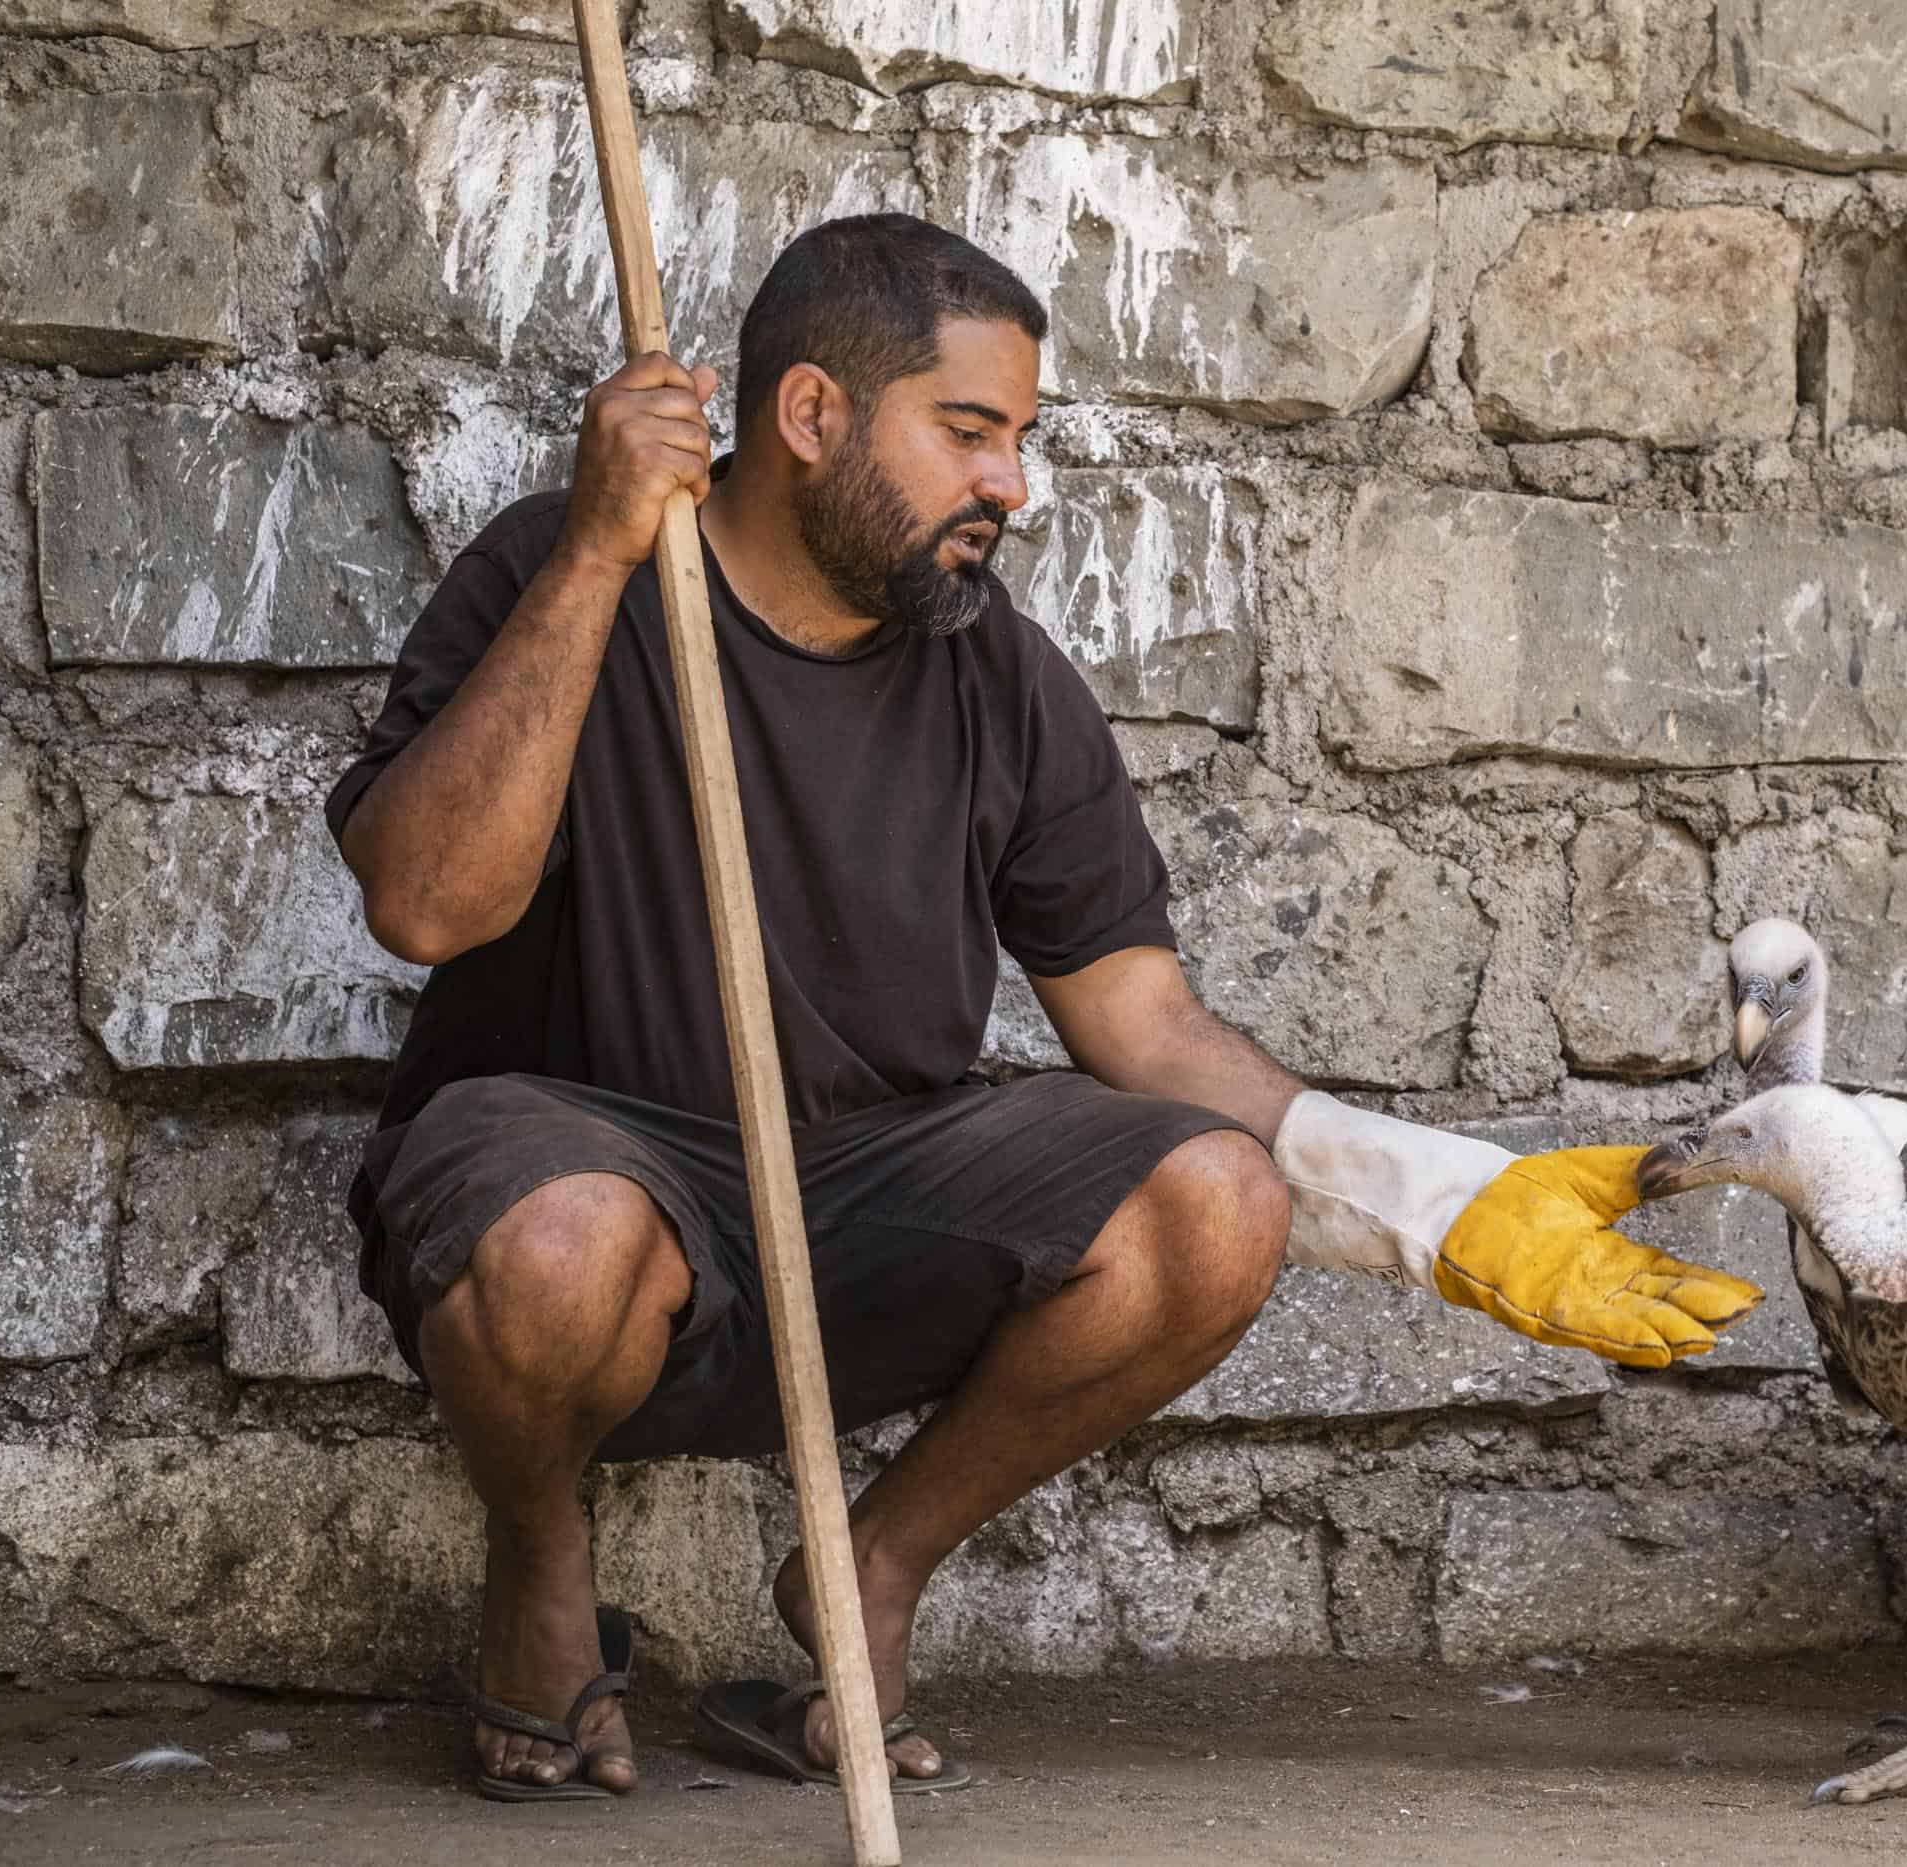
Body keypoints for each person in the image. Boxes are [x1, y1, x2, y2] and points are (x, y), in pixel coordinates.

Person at [329, 213, 1761, 1803]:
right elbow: (425, 907)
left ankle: (869, 1572)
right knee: (559, 1242)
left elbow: (1146, 1029)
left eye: (1017, 439)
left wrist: (1437, 1199)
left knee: (1216, 1203)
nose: (1010, 484)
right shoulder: (558, 568)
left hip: (860, 1198)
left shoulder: (999, 674)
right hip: (583, 1169)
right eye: (968, 433)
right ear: (811, 415)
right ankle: (539, 1568)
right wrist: (600, 555)